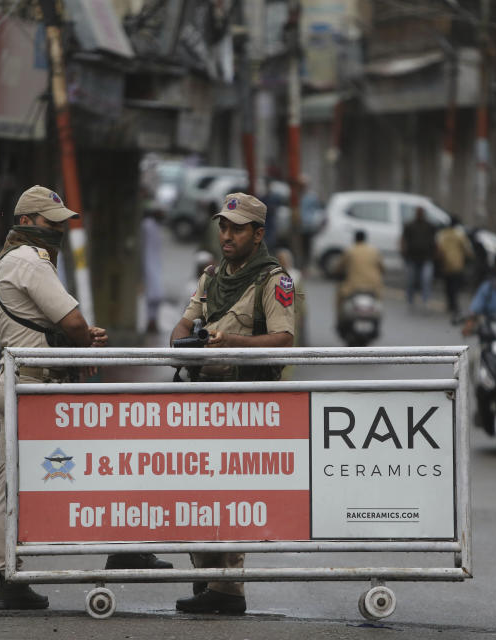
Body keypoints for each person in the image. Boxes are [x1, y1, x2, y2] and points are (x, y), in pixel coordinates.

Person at [0, 185, 170, 611]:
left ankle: (9, 578)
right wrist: (83, 339)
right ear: (27, 221)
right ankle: (121, 548)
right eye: (52, 223)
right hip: (32, 389)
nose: (59, 230)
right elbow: (71, 320)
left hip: (24, 383)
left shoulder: (5, 260)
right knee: (104, 455)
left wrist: (80, 341)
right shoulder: (30, 261)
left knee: (12, 480)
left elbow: (50, 326)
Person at [170, 192, 295, 615]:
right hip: (203, 401)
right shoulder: (211, 277)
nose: (226, 235)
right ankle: (205, 576)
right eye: (223, 226)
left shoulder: (272, 280)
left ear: (258, 234)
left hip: (247, 404)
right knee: (196, 490)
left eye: (237, 228)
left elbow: (283, 341)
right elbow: (183, 325)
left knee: (233, 495)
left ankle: (228, 587)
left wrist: (233, 343)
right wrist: (187, 340)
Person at [435, 216, 473, 319]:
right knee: (455, 285)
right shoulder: (459, 234)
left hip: (445, 263)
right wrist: (469, 256)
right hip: (457, 263)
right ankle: (454, 304)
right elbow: (466, 248)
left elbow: (439, 247)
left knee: (447, 284)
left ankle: (449, 304)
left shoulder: (443, 234)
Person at [334, 229, 384, 308]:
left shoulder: (350, 251)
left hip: (353, 285)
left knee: (340, 295)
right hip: (373, 286)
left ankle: (340, 316)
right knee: (379, 298)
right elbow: (382, 268)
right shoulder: (374, 251)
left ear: (354, 239)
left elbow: (339, 267)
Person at [401, 207, 437, 310]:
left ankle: (426, 300)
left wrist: (435, 254)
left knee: (426, 280)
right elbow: (403, 240)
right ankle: (410, 300)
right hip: (412, 258)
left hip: (426, 258)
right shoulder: (410, 225)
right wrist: (403, 252)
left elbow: (434, 241)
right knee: (411, 280)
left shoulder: (430, 226)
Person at [140, 201, 165, 333]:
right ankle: (150, 322)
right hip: (148, 264)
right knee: (152, 295)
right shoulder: (147, 225)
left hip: (155, 264)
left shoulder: (156, 225)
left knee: (157, 295)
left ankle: (153, 321)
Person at [299, 174, 323, 268]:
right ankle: (300, 265)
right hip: (298, 225)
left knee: (308, 247)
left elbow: (317, 209)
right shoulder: (296, 196)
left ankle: (307, 266)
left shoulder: (312, 196)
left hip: (309, 226)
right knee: (300, 247)